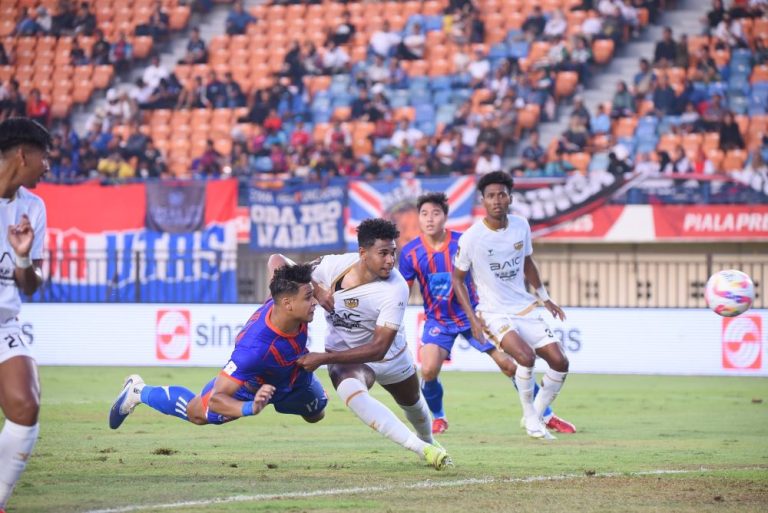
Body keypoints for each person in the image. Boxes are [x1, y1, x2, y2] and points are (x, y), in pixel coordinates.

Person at [399, 193, 576, 435]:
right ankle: (439, 417)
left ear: (446, 217)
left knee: (510, 365)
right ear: (418, 218)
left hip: (476, 315)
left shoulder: (465, 242)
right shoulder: (410, 252)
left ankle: (544, 415)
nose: (430, 219)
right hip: (438, 320)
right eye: (424, 214)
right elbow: (402, 291)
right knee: (428, 370)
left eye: (436, 213)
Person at [282, 219, 451, 470]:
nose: (390, 260)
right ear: (363, 253)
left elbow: (379, 348)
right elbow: (280, 262)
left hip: (390, 358)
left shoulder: (395, 289)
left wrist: (321, 358)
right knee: (352, 392)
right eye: (383, 253)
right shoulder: (332, 266)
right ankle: (421, 448)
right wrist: (316, 289)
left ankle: (428, 439)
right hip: (345, 357)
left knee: (414, 405)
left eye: (393, 253)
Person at [109, 263, 328, 431]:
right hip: (250, 389)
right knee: (196, 413)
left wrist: (317, 289)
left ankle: (301, 400)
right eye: (309, 297)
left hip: (294, 378)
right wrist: (249, 408)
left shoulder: (285, 302)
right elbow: (216, 399)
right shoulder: (252, 351)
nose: (315, 303)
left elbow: (275, 259)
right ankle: (138, 391)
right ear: (288, 304)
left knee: (316, 415)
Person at [451, 171, 569, 440]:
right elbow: (457, 280)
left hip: (524, 308)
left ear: (510, 198)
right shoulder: (471, 237)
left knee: (560, 362)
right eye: (491, 196)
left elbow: (527, 262)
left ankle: (535, 415)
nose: (496, 200)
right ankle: (531, 418)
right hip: (492, 312)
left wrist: (545, 297)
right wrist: (472, 319)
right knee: (525, 358)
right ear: (483, 200)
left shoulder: (521, 226)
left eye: (501, 194)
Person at [0, 118, 52, 511]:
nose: (47, 166)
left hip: (5, 321)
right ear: (23, 154)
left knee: (25, 404)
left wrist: (21, 254)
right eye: (44, 157)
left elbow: (30, 284)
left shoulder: (32, 208)